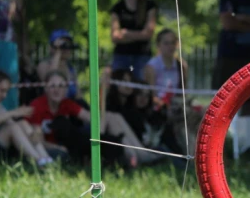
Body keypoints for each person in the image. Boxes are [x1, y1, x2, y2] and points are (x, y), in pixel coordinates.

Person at [28, 70, 159, 167]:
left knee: (112, 116)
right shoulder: (37, 106)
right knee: (108, 119)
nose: (57, 90)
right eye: (52, 86)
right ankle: (136, 156)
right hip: (54, 149)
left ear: (66, 89)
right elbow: (36, 139)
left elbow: (93, 119)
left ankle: (138, 153)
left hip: (73, 143)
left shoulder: (67, 103)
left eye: (61, 86)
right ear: (45, 87)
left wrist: (103, 91)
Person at [0, 66, 53, 166]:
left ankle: (46, 159)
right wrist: (14, 112)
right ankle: (39, 161)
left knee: (22, 123)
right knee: (13, 127)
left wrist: (33, 131)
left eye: (6, 91)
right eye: (1, 90)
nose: (4, 95)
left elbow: (12, 124)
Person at [110, 0, 157, 80]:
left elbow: (148, 33)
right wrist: (139, 35)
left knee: (141, 90)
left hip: (142, 56)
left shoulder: (149, 5)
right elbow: (115, 36)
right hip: (121, 56)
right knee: (119, 88)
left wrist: (126, 33)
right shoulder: (117, 7)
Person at [143, 28, 188, 108]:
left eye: (173, 43)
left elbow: (184, 93)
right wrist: (164, 105)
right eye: (166, 43)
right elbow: (151, 96)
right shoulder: (151, 67)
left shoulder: (182, 65)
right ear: (158, 45)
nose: (170, 46)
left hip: (177, 106)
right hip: (158, 108)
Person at [36, 29, 82, 102]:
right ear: (51, 47)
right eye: (63, 46)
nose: (66, 49)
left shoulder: (70, 68)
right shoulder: (43, 65)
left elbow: (78, 95)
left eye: (68, 45)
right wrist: (58, 52)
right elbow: (50, 78)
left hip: (69, 107)